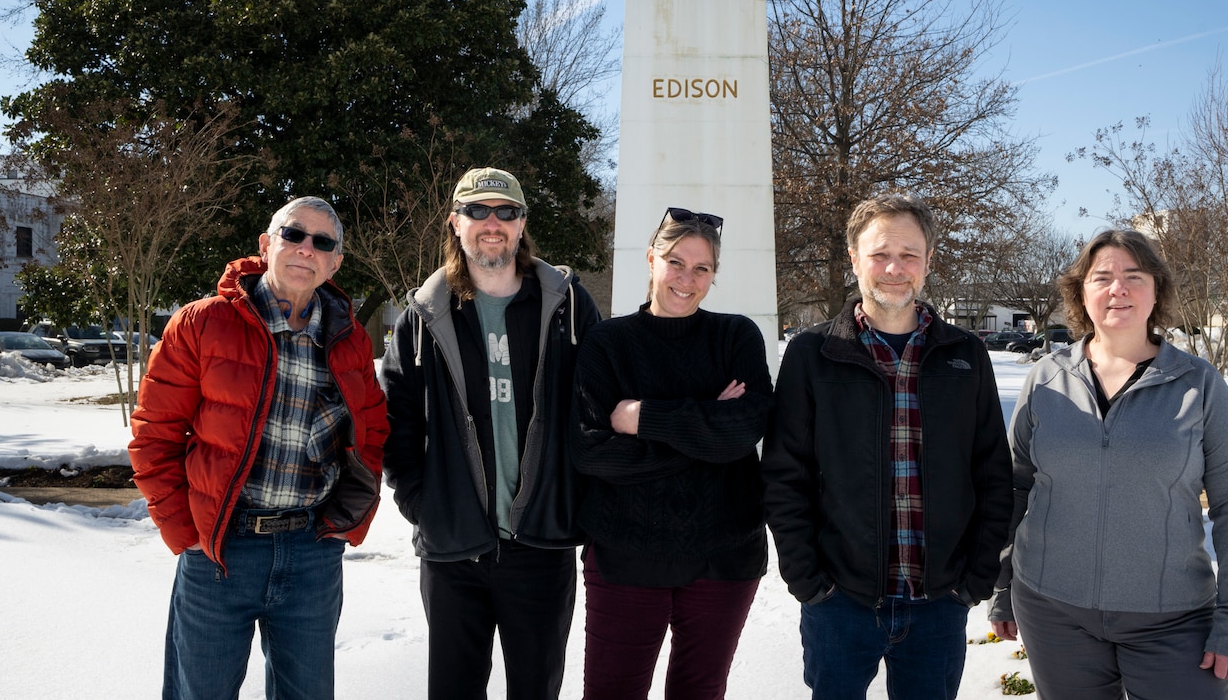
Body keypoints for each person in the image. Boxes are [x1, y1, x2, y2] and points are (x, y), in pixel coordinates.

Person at [130, 196, 388, 700]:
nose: (305, 249)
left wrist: (346, 520)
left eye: (322, 243)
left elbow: (372, 432)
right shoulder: (201, 323)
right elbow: (153, 436)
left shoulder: (350, 338)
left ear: (334, 262)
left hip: (312, 552)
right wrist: (187, 534)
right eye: (293, 235)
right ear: (267, 245)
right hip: (220, 551)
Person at [988, 229, 1228, 698]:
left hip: (1172, 619)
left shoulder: (1199, 384)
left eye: (1134, 276)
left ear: (1156, 290)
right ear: (1081, 293)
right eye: (1103, 278)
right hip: (1053, 611)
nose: (1119, 288)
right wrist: (1002, 585)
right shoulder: (1047, 378)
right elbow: (1015, 487)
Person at [762, 193, 1013, 699]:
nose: (894, 268)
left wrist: (977, 579)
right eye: (879, 254)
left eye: (909, 254)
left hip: (941, 601)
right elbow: (785, 475)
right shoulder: (813, 354)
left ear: (928, 262)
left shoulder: (966, 356)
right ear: (854, 258)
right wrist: (809, 582)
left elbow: (992, 474)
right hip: (840, 602)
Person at [381, 167, 600, 700]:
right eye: (478, 211)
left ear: (523, 223)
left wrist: (580, 503)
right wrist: (422, 503)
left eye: (506, 211)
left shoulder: (568, 307)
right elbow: (396, 422)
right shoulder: (423, 316)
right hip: (453, 547)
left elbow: (597, 409)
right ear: (456, 223)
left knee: (537, 691)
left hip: (542, 544)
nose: (492, 223)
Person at [570, 206, 772, 700]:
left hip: (725, 556)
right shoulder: (607, 343)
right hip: (626, 554)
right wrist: (706, 430)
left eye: (701, 268)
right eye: (675, 262)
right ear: (650, 259)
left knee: (700, 690)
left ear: (714, 275)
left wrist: (645, 419)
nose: (687, 278)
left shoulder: (735, 335)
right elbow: (592, 452)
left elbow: (746, 428)